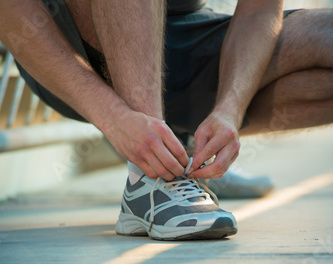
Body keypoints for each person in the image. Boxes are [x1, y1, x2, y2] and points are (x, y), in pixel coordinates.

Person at [0, 1, 332, 240]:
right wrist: (113, 117)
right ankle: (150, 176)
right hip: (77, 54)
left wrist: (229, 109)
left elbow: (258, 9)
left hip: (185, 37)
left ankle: (184, 153)